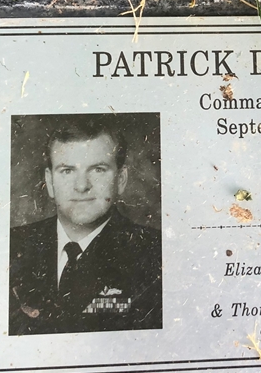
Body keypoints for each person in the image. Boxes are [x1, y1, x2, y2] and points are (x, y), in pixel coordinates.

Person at [8, 115, 162, 336]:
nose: (81, 186)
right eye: (67, 171)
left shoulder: (155, 254)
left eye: (98, 169)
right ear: (49, 182)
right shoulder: (10, 246)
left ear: (121, 179)